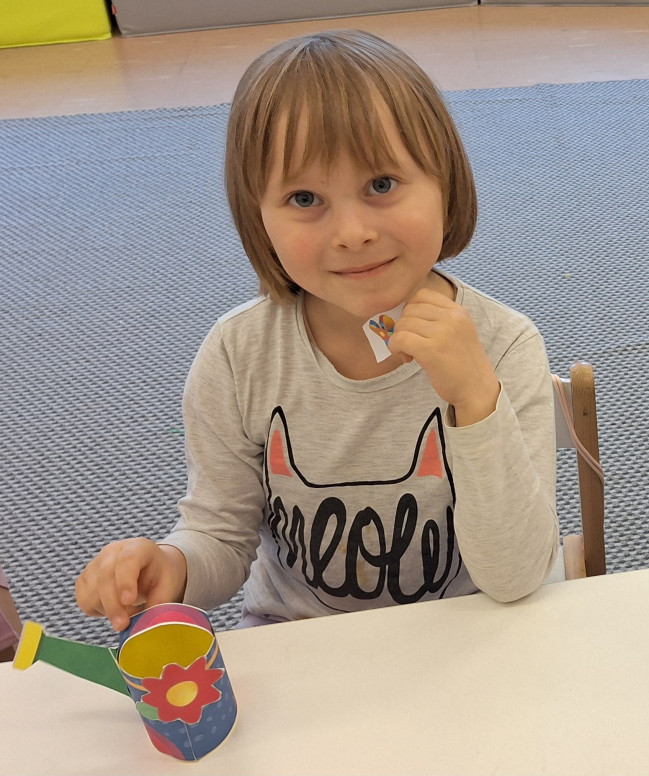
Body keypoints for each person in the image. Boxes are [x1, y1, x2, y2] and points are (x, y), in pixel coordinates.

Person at [75, 30, 559, 631]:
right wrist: (172, 564)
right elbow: (220, 535)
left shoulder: (504, 346)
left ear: (446, 184)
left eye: (381, 185)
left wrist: (476, 401)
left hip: (465, 629)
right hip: (297, 630)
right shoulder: (238, 355)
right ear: (258, 217)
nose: (352, 233)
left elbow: (516, 575)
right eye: (305, 198)